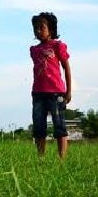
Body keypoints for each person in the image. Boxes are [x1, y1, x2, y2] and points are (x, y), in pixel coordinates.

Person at [30, 12, 71, 159]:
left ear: (51, 30)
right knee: (39, 126)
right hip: (38, 93)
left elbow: (66, 67)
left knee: (59, 125)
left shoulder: (57, 46)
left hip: (56, 92)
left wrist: (68, 91)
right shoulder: (34, 50)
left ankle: (62, 159)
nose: (38, 30)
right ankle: (41, 157)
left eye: (42, 27)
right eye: (35, 28)